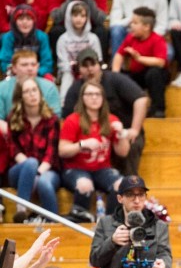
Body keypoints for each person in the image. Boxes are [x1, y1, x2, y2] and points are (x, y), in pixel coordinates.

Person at [63, 47, 148, 177]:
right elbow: (68, 119)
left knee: (132, 143)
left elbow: (141, 99)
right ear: (79, 69)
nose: (90, 69)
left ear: (99, 65)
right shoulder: (75, 89)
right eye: (85, 66)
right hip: (92, 137)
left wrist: (134, 130)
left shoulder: (115, 79)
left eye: (93, 64)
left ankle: (129, 184)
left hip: (122, 131)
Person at [59, 81, 129, 220]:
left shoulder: (111, 120)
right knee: (85, 185)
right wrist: (82, 144)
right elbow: (62, 150)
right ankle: (80, 220)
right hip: (75, 168)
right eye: (90, 94)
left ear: (103, 98)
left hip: (102, 169)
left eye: (98, 94)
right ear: (83, 98)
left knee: (121, 184)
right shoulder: (73, 120)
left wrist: (122, 135)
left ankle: (111, 221)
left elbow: (123, 152)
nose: (94, 97)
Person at [6, 78, 61, 222]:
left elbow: (51, 154)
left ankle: (54, 224)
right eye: (27, 91)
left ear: (40, 93)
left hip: (47, 169)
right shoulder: (13, 118)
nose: (32, 94)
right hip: (19, 171)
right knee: (31, 162)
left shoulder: (52, 119)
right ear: (20, 97)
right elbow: (13, 149)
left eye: (34, 90)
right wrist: (31, 170)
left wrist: (36, 174)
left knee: (43, 183)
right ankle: (21, 209)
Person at [112, 7, 168, 118]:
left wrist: (139, 58)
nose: (131, 25)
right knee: (122, 77)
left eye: (135, 23)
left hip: (156, 75)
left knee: (154, 73)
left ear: (146, 27)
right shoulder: (130, 38)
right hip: (137, 74)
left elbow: (160, 62)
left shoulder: (157, 39)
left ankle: (158, 109)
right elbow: (119, 54)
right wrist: (115, 74)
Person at [56, 0, 103, 104]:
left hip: (89, 69)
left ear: (87, 18)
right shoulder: (63, 39)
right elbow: (63, 63)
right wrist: (76, 70)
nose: (79, 19)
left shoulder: (93, 38)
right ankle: (64, 103)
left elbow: (98, 59)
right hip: (70, 71)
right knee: (67, 76)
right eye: (75, 15)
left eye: (82, 16)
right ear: (69, 17)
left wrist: (87, 70)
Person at [0, 50, 61, 120]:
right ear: (14, 68)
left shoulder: (50, 87)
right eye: (24, 65)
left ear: (38, 66)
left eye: (33, 65)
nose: (30, 68)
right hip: (10, 126)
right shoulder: (2, 88)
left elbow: (56, 116)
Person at [48, 0, 109, 64]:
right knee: (55, 31)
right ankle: (59, 64)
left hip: (90, 28)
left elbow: (100, 20)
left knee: (101, 31)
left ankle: (99, 65)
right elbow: (56, 18)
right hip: (66, 29)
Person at [0, 4, 53, 78]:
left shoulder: (42, 37)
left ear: (34, 21)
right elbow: (5, 61)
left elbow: (47, 62)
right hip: (15, 74)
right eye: (21, 19)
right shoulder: (8, 37)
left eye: (29, 19)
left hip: (37, 73)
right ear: (15, 22)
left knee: (49, 78)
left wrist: (37, 72)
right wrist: (16, 72)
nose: (25, 22)